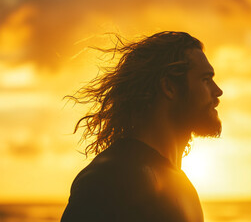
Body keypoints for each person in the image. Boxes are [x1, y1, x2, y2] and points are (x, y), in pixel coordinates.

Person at [61, 31, 223, 222]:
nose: (218, 91)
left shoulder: (179, 182)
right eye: (205, 79)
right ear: (169, 87)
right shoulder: (112, 178)